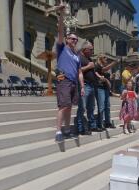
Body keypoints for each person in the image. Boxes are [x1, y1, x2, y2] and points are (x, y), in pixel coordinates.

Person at [55, 8, 84, 142]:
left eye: (76, 40)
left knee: (70, 106)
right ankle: (58, 131)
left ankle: (67, 129)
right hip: (64, 80)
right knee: (63, 105)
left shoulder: (77, 55)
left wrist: (82, 86)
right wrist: (61, 14)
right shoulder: (62, 48)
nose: (74, 41)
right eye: (72, 39)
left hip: (74, 82)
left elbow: (79, 72)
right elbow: (60, 30)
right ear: (67, 39)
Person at [76, 41, 98, 135]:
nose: (92, 51)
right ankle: (80, 128)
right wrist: (89, 66)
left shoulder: (89, 58)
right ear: (85, 49)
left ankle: (92, 125)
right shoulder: (79, 58)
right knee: (82, 107)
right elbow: (77, 71)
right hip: (84, 85)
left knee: (91, 107)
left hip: (91, 85)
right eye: (91, 49)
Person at [95, 54, 118, 130]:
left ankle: (107, 122)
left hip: (106, 89)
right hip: (100, 88)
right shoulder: (97, 65)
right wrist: (113, 63)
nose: (106, 60)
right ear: (101, 58)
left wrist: (111, 77)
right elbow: (103, 70)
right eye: (105, 58)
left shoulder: (105, 68)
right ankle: (100, 124)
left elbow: (107, 77)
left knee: (107, 106)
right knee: (101, 107)